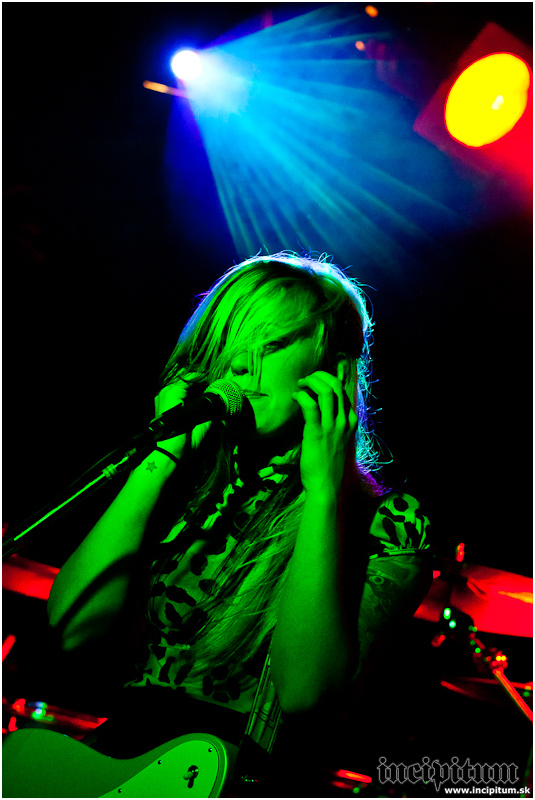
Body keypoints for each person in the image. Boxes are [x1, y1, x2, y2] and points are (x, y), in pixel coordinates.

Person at [46, 251, 431, 795]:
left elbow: (305, 693)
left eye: (270, 344)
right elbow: (72, 631)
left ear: (335, 372)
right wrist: (160, 460)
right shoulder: (185, 482)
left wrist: (324, 492)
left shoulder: (385, 525)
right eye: (230, 342)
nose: (241, 366)